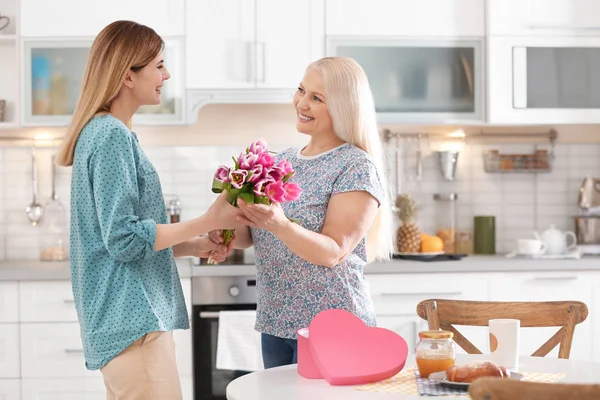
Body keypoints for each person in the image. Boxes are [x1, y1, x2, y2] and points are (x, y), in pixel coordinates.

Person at [56, 20, 239, 399]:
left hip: (127, 325)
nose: (166, 74)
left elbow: (123, 243)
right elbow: (123, 239)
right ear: (127, 75)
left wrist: (194, 244)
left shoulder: (106, 133)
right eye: (158, 65)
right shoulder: (111, 137)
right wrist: (209, 219)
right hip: (133, 324)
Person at [210, 56, 393, 369]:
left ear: (343, 107)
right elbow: (251, 236)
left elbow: (333, 252)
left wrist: (280, 224)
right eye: (301, 91)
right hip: (276, 324)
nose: (301, 103)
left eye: (317, 98)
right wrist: (227, 229)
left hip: (333, 328)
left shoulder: (356, 166)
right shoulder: (283, 161)